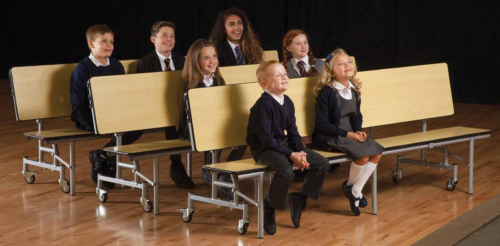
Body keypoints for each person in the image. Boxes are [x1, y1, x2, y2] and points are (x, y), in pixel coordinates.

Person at [247, 60, 329, 234]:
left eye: (285, 73)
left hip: (281, 144)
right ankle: (269, 206)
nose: (284, 77)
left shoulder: (288, 101)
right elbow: (267, 140)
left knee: (321, 163)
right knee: (286, 171)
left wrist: (300, 152)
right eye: (278, 75)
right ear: (264, 84)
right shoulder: (263, 106)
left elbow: (293, 131)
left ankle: (299, 198)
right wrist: (291, 154)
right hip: (264, 148)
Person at [312, 48, 383, 216]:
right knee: (363, 156)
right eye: (341, 64)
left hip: (350, 133)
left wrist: (358, 131)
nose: (347, 65)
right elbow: (322, 124)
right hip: (332, 135)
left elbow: (356, 116)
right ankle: (353, 189)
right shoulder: (327, 92)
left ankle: (354, 189)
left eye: (349, 62)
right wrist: (349, 135)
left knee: (377, 152)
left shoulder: (354, 90)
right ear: (332, 71)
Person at [70, 24, 143, 189]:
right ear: (91, 44)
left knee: (137, 129)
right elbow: (77, 102)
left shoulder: (116, 65)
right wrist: (93, 125)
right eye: (104, 41)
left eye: (111, 41)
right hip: (89, 117)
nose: (109, 45)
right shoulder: (82, 69)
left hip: (113, 117)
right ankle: (109, 161)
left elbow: (121, 96)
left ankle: (102, 155)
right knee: (118, 132)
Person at [136, 21, 193, 189]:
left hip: (177, 109)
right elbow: (140, 93)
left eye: (172, 36)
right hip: (153, 110)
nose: (169, 39)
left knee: (181, 121)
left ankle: (183, 167)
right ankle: (106, 156)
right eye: (164, 35)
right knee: (171, 122)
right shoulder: (145, 63)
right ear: (153, 39)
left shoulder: (182, 61)